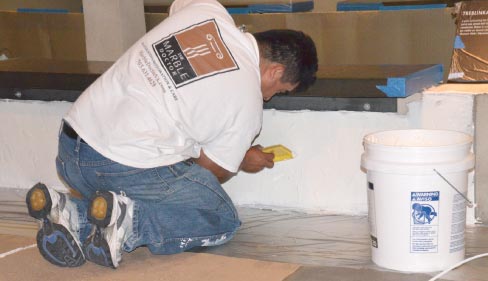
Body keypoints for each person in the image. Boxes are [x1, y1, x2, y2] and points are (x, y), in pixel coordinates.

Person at [26, 0, 318, 269]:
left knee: (149, 180)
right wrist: (237, 158)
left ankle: (70, 212)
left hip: (71, 150)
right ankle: (129, 222)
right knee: (220, 218)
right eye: (279, 90)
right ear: (275, 71)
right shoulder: (249, 104)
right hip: (119, 168)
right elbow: (207, 175)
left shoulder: (208, 11)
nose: (269, 99)